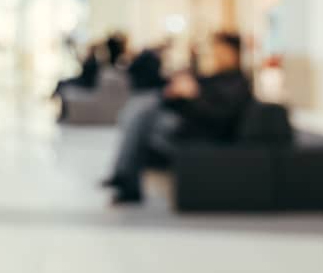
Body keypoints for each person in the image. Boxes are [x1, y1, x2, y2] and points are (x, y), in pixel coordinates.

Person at [101, 32, 255, 205]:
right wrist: (175, 94)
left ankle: (125, 178)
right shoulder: (215, 78)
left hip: (203, 131)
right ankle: (125, 178)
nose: (215, 55)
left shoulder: (237, 83)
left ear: (232, 53)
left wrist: (193, 95)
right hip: (190, 123)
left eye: (219, 51)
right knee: (141, 114)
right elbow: (190, 102)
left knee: (142, 120)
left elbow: (217, 115)